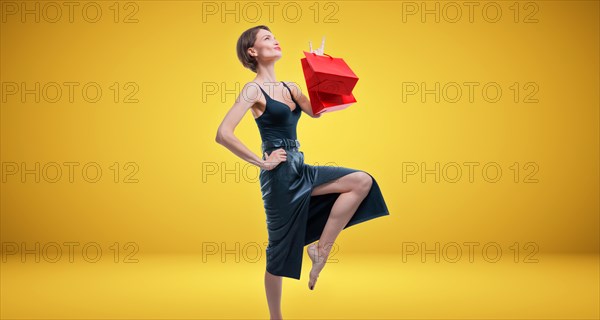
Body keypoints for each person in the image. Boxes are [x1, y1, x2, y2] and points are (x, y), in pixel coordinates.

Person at [215, 25, 390, 319]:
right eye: (267, 38)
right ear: (252, 51)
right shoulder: (252, 89)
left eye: (274, 36)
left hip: (300, 166)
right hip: (279, 177)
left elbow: (322, 110)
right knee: (279, 252)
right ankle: (276, 317)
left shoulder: (290, 88)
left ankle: (321, 250)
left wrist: (319, 68)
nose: (275, 40)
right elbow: (223, 133)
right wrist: (262, 162)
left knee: (361, 181)